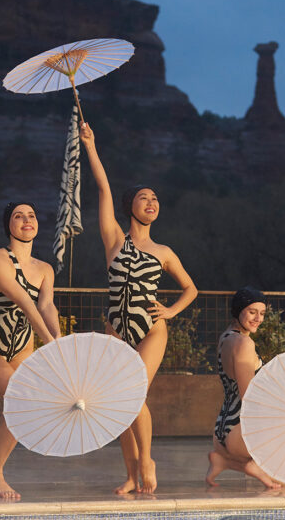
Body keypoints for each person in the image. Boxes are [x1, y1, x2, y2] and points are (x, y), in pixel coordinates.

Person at [80, 122, 198, 494]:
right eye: (145, 198)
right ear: (130, 206)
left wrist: (172, 311)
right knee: (119, 405)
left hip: (151, 329)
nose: (152, 203)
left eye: (156, 200)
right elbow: (102, 187)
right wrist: (90, 146)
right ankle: (131, 474)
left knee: (133, 396)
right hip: (116, 328)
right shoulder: (114, 239)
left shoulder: (163, 252)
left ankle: (146, 460)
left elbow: (191, 288)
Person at [0, 202, 61, 499]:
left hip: (21, 350)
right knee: (20, 397)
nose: (26, 220)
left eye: (32, 215)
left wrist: (60, 341)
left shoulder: (45, 269)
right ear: (9, 225)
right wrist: (52, 344)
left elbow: (46, 306)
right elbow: (24, 301)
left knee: (24, 406)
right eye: (19, 216)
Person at [206, 287, 282, 489]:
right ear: (238, 310)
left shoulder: (226, 337)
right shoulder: (244, 343)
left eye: (262, 313)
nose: (258, 318)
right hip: (241, 431)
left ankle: (224, 461)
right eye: (252, 312)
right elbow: (249, 397)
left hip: (223, 428)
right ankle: (252, 464)